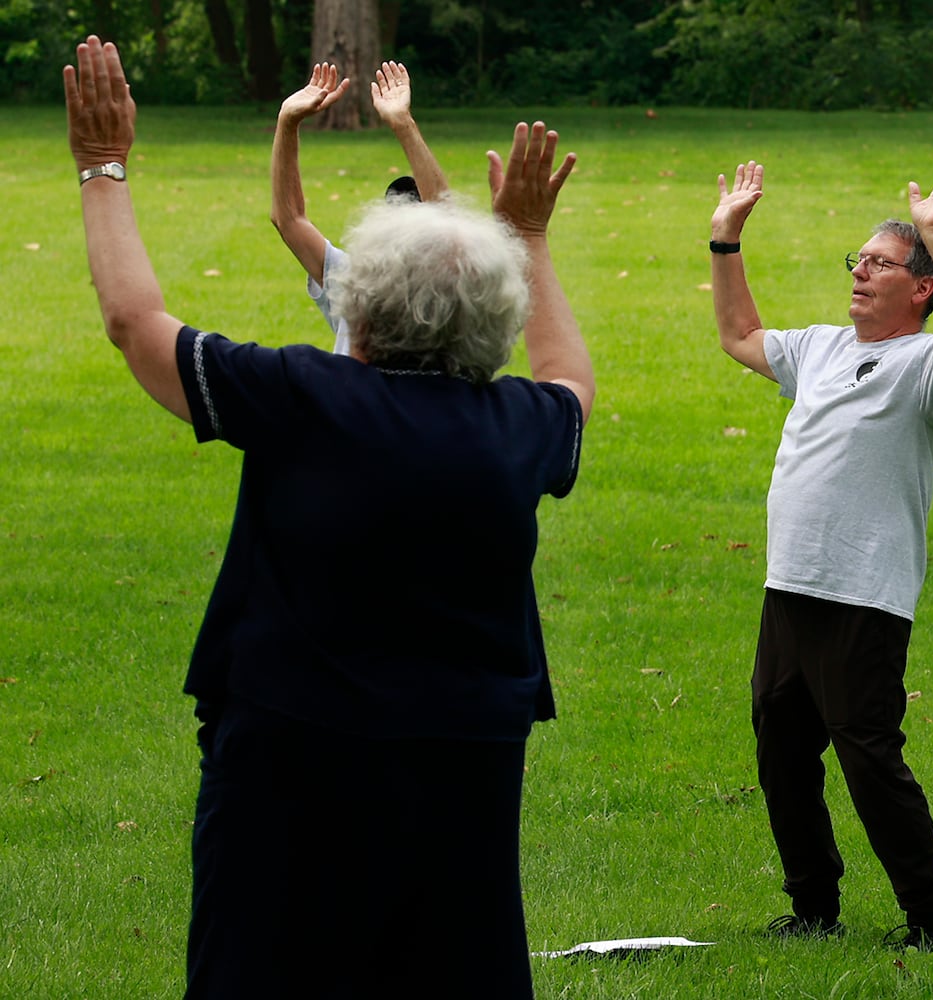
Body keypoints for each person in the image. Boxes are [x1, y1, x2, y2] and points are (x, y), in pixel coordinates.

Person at [65, 36, 593, 999]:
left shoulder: (302, 398)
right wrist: (531, 238)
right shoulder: (519, 428)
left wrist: (103, 170)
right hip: (464, 762)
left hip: (289, 759)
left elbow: (135, 324)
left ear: (364, 306)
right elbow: (568, 377)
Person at [710, 156, 933, 949]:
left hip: (864, 595)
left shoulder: (929, 369)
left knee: (868, 756)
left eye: (879, 264)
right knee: (780, 754)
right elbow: (738, 333)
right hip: (791, 587)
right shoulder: (817, 347)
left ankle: (929, 916)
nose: (861, 273)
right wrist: (724, 239)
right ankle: (812, 907)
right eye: (859, 260)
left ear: (921, 287)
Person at [271, 60, 450, 355]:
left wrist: (403, 124)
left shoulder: (450, 297)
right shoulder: (357, 282)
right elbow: (288, 219)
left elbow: (448, 224)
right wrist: (287, 122)